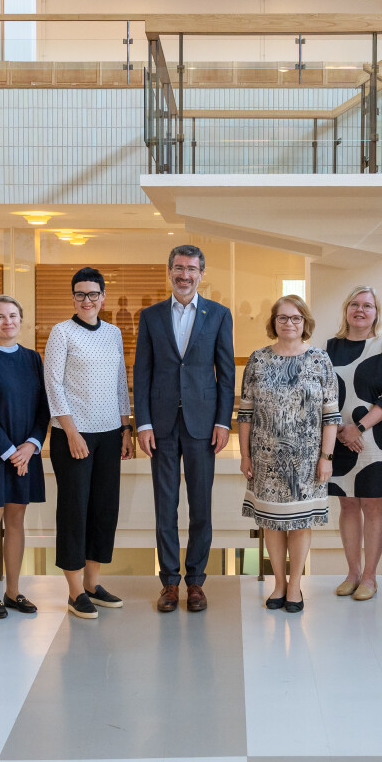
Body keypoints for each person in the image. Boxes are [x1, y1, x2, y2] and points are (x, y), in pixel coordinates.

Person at [133, 245, 235, 614]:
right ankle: (170, 583)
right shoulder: (151, 316)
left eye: (191, 269)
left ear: (201, 273)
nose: (185, 274)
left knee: (201, 507)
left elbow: (226, 374)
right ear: (170, 270)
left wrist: (224, 421)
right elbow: (141, 372)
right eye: (179, 268)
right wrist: (141, 422)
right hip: (159, 425)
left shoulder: (219, 315)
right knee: (165, 506)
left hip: (203, 424)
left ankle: (196, 582)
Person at [240, 295, 341, 613]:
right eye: (282, 318)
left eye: (296, 318)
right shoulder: (257, 360)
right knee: (271, 523)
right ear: (273, 323)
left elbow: (331, 416)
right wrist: (245, 455)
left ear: (305, 322)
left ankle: (295, 586)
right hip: (266, 459)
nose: (289, 323)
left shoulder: (321, 360)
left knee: (299, 523)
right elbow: (245, 414)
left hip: (307, 460)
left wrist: (327, 457)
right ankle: (278, 584)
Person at [45, 268, 135, 619]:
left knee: (103, 510)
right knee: (74, 511)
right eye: (80, 294)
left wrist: (125, 429)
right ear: (73, 298)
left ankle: (93, 585)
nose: (87, 300)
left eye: (93, 294)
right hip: (73, 437)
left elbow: (118, 384)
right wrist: (70, 432)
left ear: (103, 297)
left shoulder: (113, 333)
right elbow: (54, 385)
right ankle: (73, 590)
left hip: (110, 434)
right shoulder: (61, 332)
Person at [0, 295, 49, 618]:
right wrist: (9, 451)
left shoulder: (32, 359)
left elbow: (44, 408)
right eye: (0, 317)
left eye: (13, 315)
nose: (7, 322)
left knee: (17, 519)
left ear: (21, 320)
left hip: (26, 452)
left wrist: (30, 445)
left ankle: (13, 591)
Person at [326, 286, 382, 602]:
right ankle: (352, 573)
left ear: (376, 312)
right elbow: (323, 394)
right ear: (346, 309)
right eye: (354, 304)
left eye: (367, 305)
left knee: (372, 504)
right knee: (347, 503)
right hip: (338, 433)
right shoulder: (329, 347)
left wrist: (357, 428)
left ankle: (370, 576)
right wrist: (341, 430)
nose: (360, 310)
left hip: (375, 437)